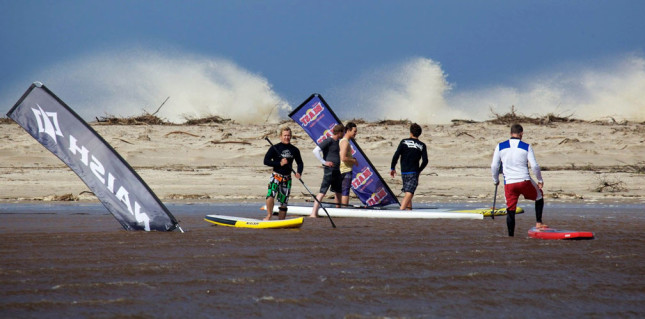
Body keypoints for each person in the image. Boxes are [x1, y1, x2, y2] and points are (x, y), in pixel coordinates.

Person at [491, 123, 546, 237]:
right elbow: (535, 166)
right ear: (521, 134)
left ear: (510, 133)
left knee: (510, 211)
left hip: (509, 184)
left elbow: (494, 166)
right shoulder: (526, 146)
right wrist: (540, 180)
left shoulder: (500, 146)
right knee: (539, 196)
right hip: (524, 181)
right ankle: (538, 223)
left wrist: (495, 180)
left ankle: (511, 236)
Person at [263, 126, 303, 220]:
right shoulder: (275, 148)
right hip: (276, 176)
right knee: (270, 195)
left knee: (284, 202)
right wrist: (279, 163)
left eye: (288, 135)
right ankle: (269, 215)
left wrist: (299, 172)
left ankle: (281, 221)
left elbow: (300, 163)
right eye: (285, 135)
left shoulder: (294, 150)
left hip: (287, 178)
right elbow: (266, 161)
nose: (287, 137)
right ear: (280, 136)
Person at [390, 123, 429, 210]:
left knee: (407, 192)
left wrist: (392, 168)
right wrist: (419, 170)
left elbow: (396, 155)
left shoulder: (403, 142)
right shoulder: (422, 145)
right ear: (419, 134)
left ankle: (408, 212)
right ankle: (401, 211)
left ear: (411, 133)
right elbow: (425, 161)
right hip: (413, 172)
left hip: (404, 172)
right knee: (409, 193)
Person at [310, 124, 345, 218]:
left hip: (337, 170)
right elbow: (315, 151)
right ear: (340, 132)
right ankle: (313, 213)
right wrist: (324, 162)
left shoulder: (338, 141)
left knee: (338, 191)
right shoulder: (329, 140)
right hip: (329, 170)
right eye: (343, 132)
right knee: (323, 191)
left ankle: (338, 212)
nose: (344, 134)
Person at [339, 122, 359, 206]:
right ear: (348, 130)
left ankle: (341, 208)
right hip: (345, 169)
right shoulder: (345, 142)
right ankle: (344, 210)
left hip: (345, 169)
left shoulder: (346, 141)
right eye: (354, 131)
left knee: (344, 190)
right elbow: (343, 158)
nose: (355, 133)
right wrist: (353, 160)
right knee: (345, 191)